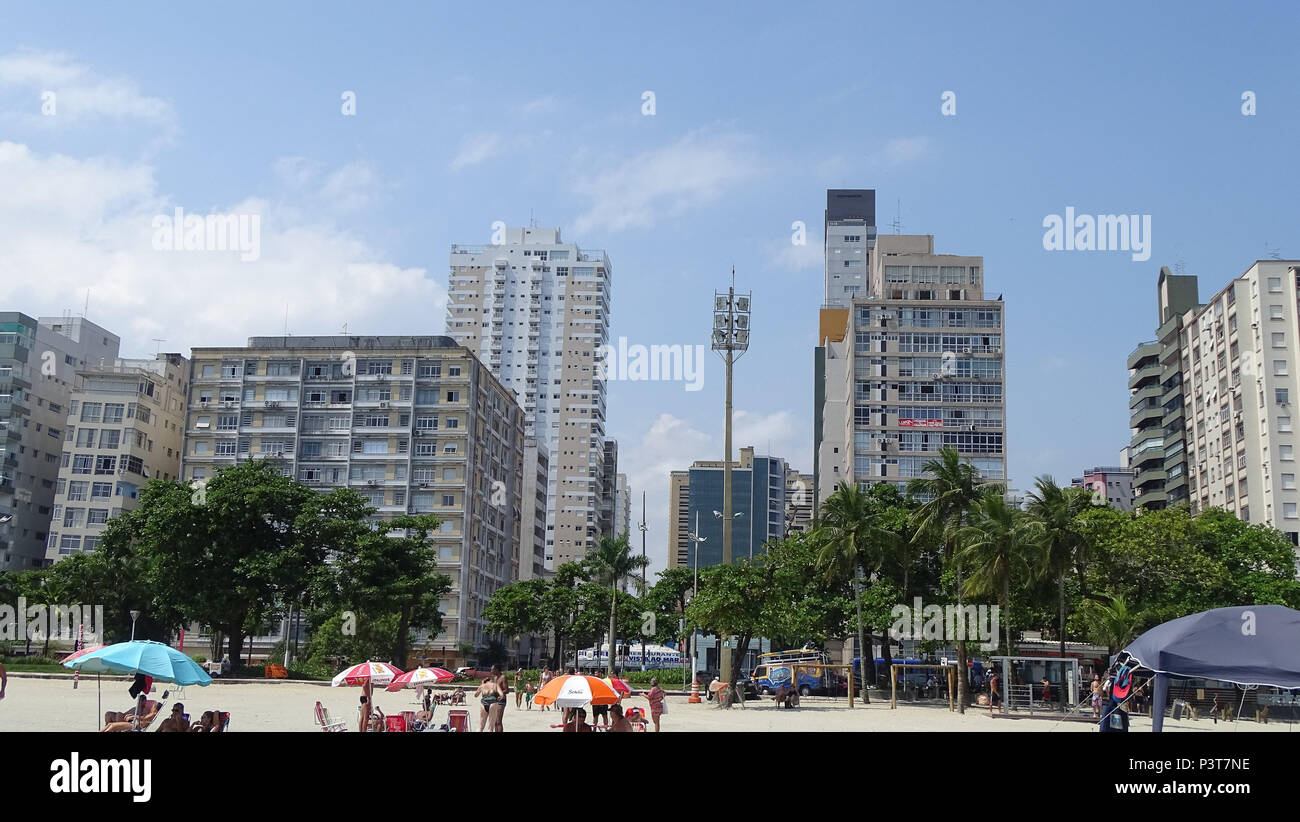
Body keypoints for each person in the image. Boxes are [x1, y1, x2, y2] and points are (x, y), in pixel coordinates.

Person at [491, 665, 509, 731]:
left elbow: (507, 690)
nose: (491, 671)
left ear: (497, 669)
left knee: (498, 721)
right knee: (495, 722)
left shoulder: (503, 677)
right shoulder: (495, 678)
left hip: (501, 700)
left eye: (492, 669)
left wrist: (500, 693)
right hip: (494, 700)